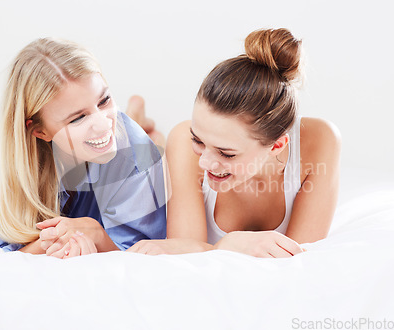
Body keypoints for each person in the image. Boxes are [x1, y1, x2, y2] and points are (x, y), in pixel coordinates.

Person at [127, 28, 341, 258]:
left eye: (226, 154)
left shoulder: (320, 141)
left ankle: (144, 128)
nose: (205, 163)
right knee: (135, 166)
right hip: (164, 153)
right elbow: (185, 252)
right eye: (198, 140)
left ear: (277, 146)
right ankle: (136, 125)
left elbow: (297, 257)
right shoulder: (182, 140)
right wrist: (232, 243)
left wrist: (226, 245)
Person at [0, 37, 166, 258]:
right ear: (39, 131)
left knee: (139, 143)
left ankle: (139, 120)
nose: (104, 122)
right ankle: (138, 116)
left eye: (104, 100)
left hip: (123, 151)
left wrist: (95, 232)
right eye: (77, 118)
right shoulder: (9, 149)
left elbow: (140, 254)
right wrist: (54, 240)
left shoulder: (135, 151)